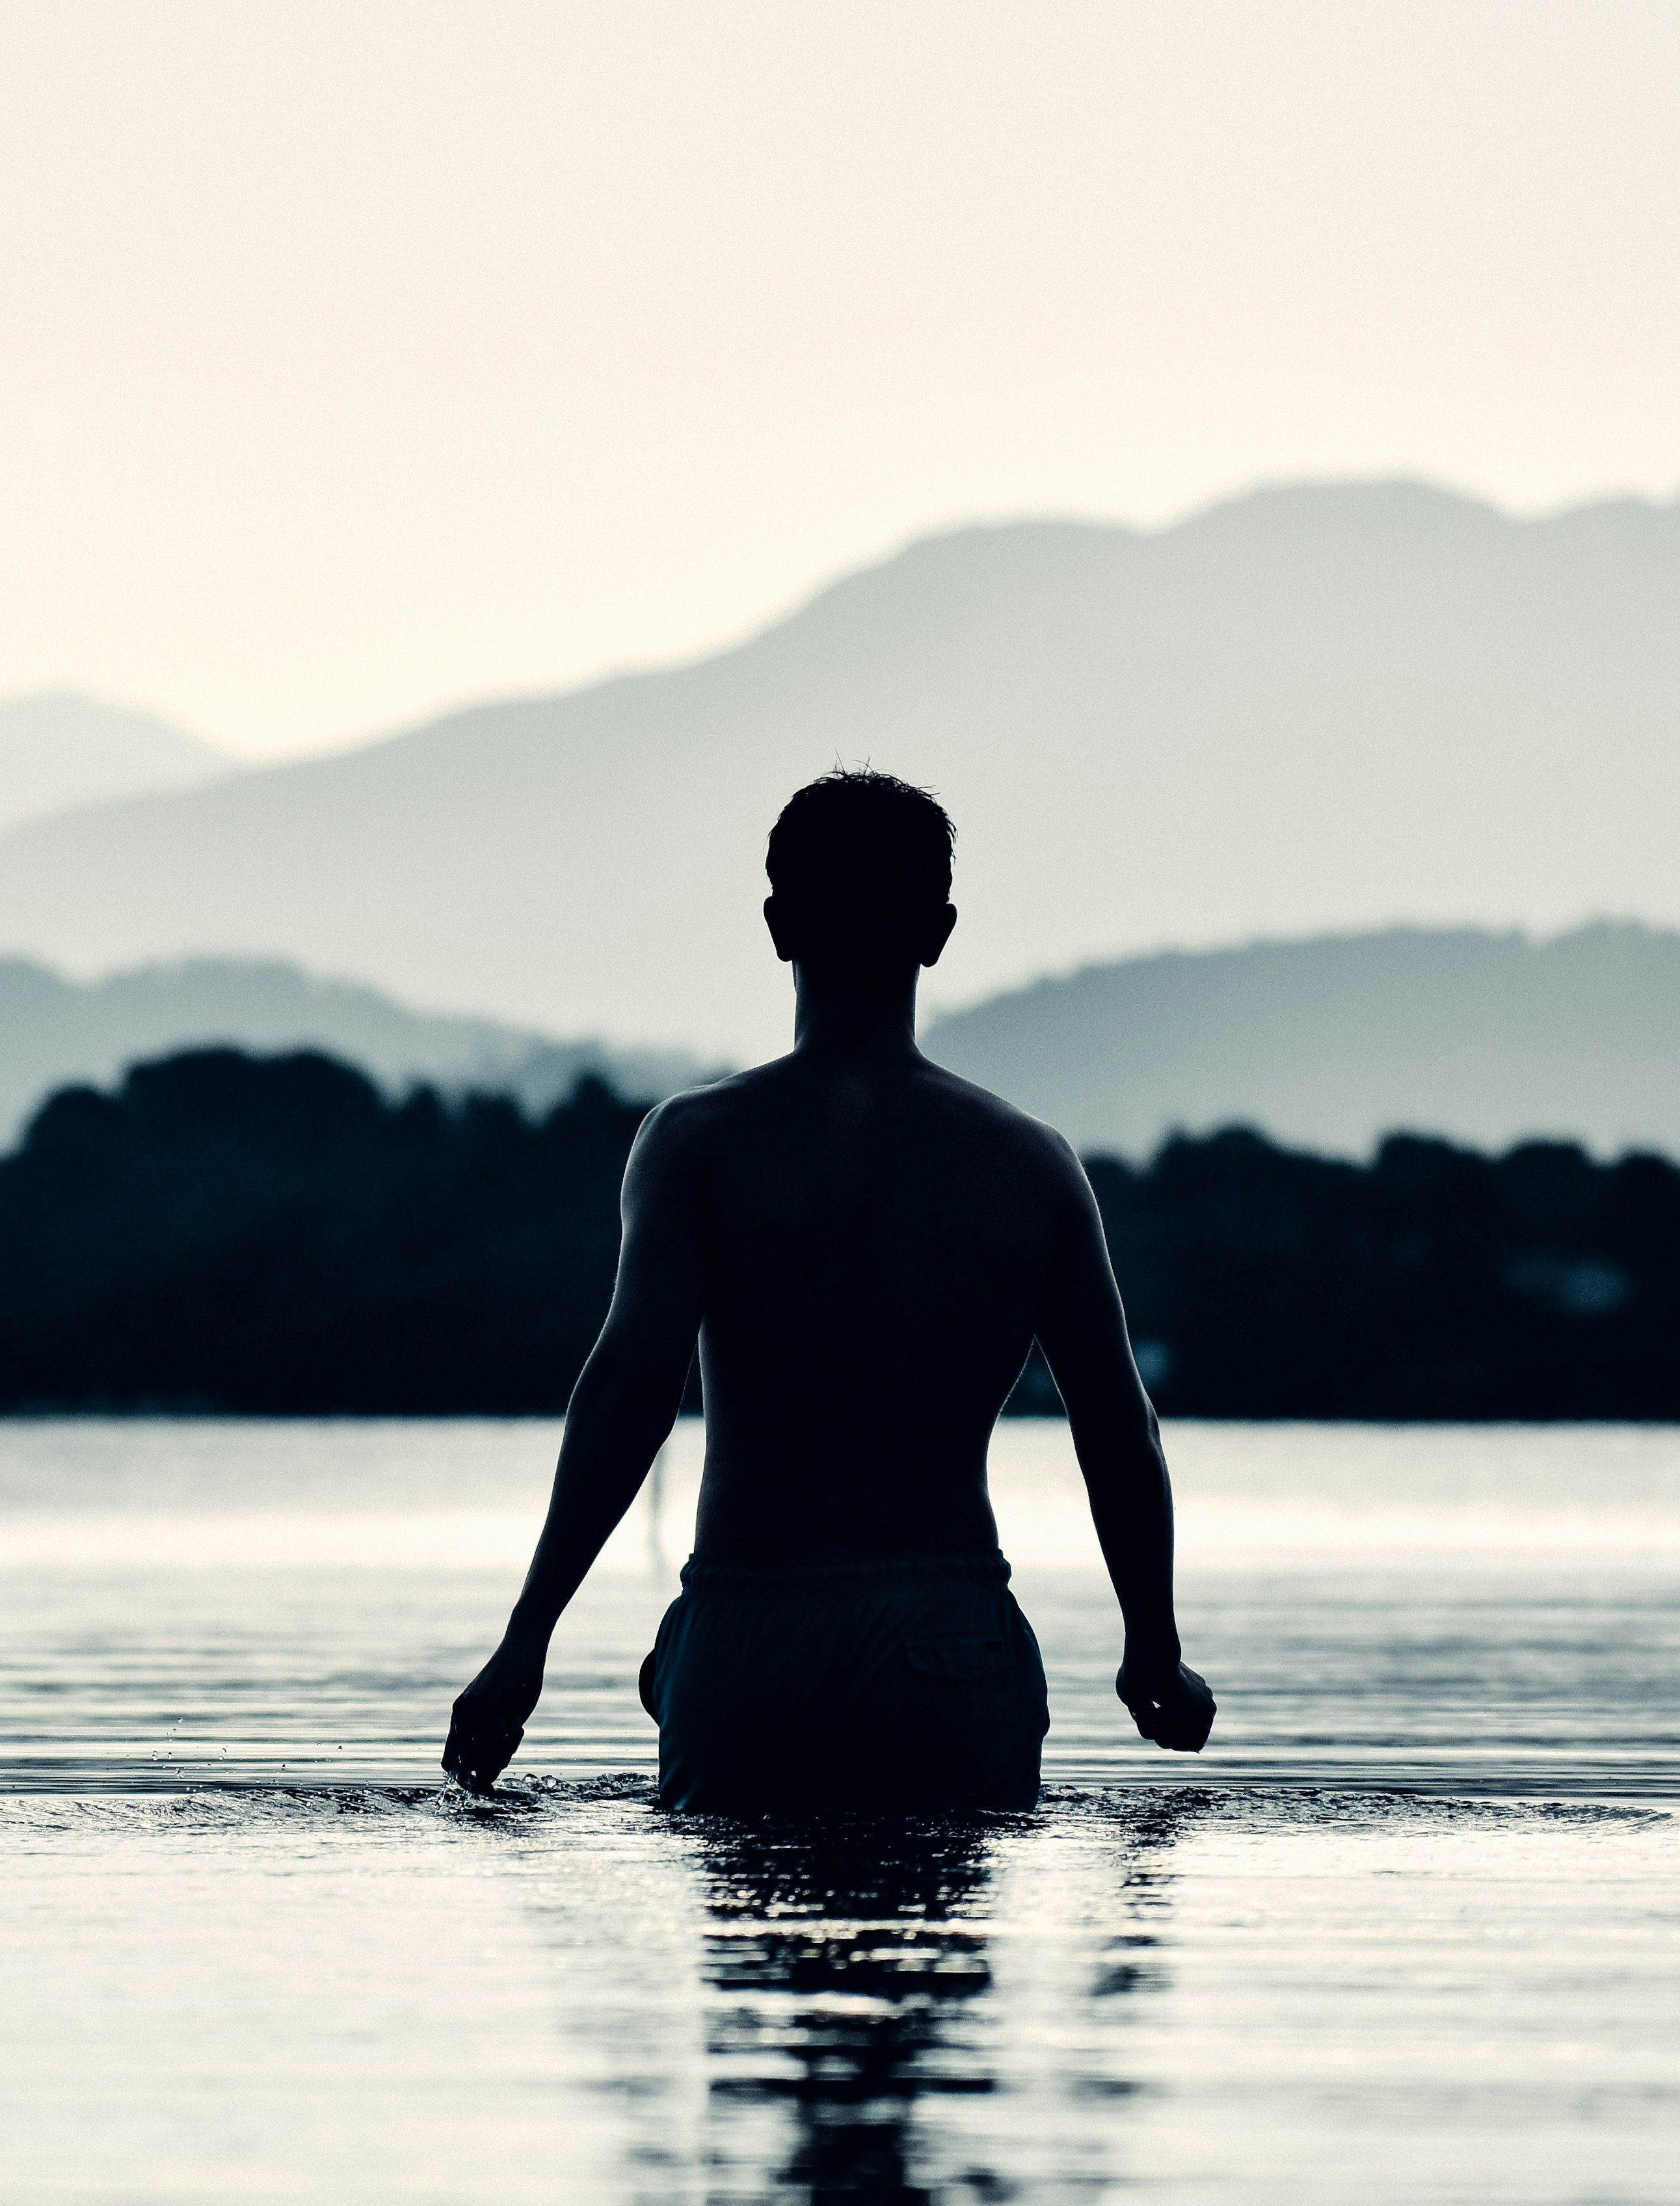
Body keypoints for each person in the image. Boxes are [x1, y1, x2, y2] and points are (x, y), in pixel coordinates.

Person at [442, 770, 1216, 1809]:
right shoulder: (1030, 1164)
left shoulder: (699, 1143)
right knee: (931, 1961)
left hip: (751, 1636)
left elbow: (630, 1391)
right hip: (949, 1643)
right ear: (939, 933)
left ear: (777, 926)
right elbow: (1121, 1430)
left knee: (760, 1961)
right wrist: (1152, 1653)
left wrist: (523, 1646)